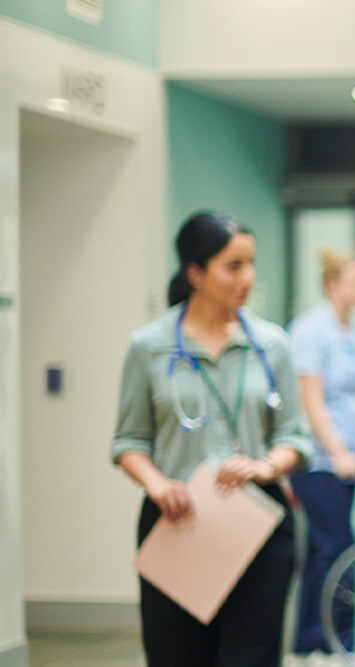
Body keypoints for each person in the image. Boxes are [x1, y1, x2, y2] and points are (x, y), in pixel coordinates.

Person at [111, 211, 311, 665]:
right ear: (195, 273)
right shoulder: (150, 347)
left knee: (251, 658)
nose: (248, 277)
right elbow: (128, 442)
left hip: (257, 521)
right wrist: (158, 485)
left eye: (251, 263)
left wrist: (266, 466)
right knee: (176, 656)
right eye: (233, 265)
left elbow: (295, 437)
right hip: (178, 520)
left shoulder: (271, 344)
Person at [285, 248, 355, 660]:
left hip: (351, 460)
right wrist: (338, 452)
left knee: (322, 551)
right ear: (332, 284)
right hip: (318, 462)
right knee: (339, 546)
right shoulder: (309, 331)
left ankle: (310, 641)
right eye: (354, 280)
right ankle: (336, 639)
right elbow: (312, 401)